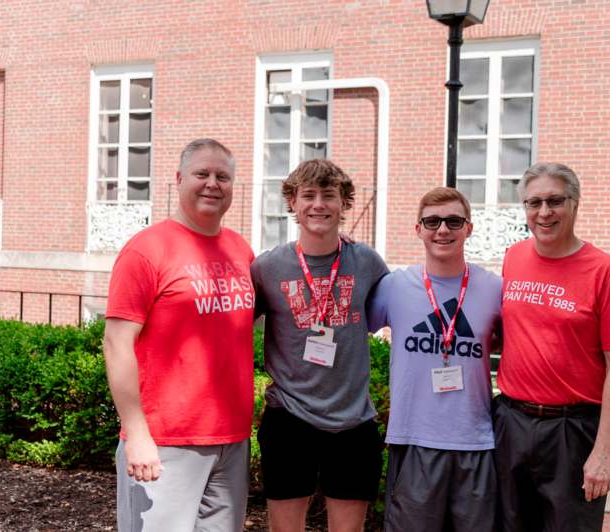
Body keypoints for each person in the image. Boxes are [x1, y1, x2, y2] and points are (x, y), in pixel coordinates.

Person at [103, 138, 255, 532]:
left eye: (222, 176)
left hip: (231, 439)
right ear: (178, 179)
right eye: (201, 173)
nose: (212, 183)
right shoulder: (146, 250)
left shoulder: (240, 250)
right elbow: (116, 342)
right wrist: (136, 433)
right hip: (166, 440)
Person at [494, 162, 610, 531]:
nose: (544, 212)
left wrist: (603, 452)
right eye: (533, 202)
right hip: (511, 421)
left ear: (574, 204)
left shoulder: (605, 271)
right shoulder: (513, 257)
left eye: (555, 201)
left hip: (572, 431)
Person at [251, 159, 389, 532]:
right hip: (289, 418)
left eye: (329, 195)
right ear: (292, 203)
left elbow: (397, 316)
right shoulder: (267, 267)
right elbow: (229, 328)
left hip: (353, 422)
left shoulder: (367, 262)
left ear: (344, 203)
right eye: (308, 195)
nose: (318, 204)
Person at [367, 187, 502, 531]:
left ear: (468, 228)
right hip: (413, 440)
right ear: (418, 229)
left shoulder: (493, 288)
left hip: (475, 441)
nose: (443, 230)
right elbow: (350, 328)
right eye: (432, 221)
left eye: (453, 221)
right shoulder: (394, 286)